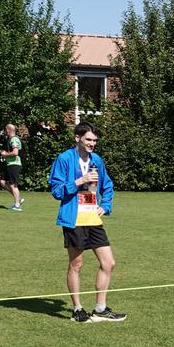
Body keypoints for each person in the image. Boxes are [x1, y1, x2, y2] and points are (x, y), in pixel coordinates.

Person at [48, 121, 125, 323]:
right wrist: (80, 181)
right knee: (77, 264)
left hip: (93, 218)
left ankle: (100, 309)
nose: (92, 143)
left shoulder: (97, 160)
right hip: (73, 218)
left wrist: (105, 205)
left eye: (94, 140)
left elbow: (107, 185)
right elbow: (56, 191)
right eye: (88, 139)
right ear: (78, 138)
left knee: (108, 262)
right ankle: (77, 309)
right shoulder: (64, 159)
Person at [0, 123, 24, 210]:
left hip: (14, 164)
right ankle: (19, 199)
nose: (5, 132)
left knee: (13, 185)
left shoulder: (14, 140)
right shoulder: (10, 140)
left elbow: (15, 152)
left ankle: (17, 205)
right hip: (9, 164)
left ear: (9, 130)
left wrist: (5, 154)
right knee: (2, 182)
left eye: (5, 130)